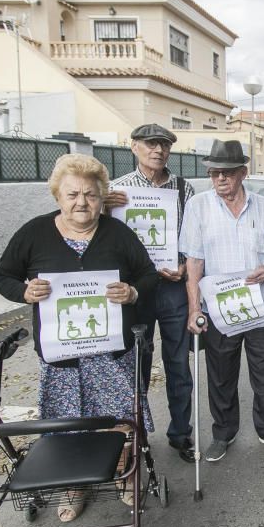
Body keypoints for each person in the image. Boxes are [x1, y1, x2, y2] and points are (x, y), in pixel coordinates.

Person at [0, 154, 158, 522]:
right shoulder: (34, 233)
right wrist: (24, 292)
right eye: (72, 195)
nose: (81, 202)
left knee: (119, 418)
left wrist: (132, 292)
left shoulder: (118, 233)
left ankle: (124, 474)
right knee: (69, 420)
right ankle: (73, 485)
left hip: (113, 353)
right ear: (57, 196)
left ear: (102, 197)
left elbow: (148, 275)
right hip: (63, 356)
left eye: (91, 195)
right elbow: (1, 276)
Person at [180, 139, 264, 460]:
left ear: (243, 172)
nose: (220, 179)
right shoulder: (197, 207)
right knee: (220, 377)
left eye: (227, 173)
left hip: (262, 310)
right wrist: (193, 310)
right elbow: (194, 262)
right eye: (214, 173)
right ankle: (223, 433)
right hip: (218, 313)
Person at [106, 124, 197, 463]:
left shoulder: (183, 188)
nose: (158, 150)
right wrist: (103, 207)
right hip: (137, 292)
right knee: (136, 364)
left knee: (178, 364)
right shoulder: (117, 190)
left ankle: (180, 434)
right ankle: (135, 435)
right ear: (133, 147)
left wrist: (186, 266)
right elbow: (105, 238)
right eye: (150, 144)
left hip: (173, 287)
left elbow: (192, 236)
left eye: (164, 144)